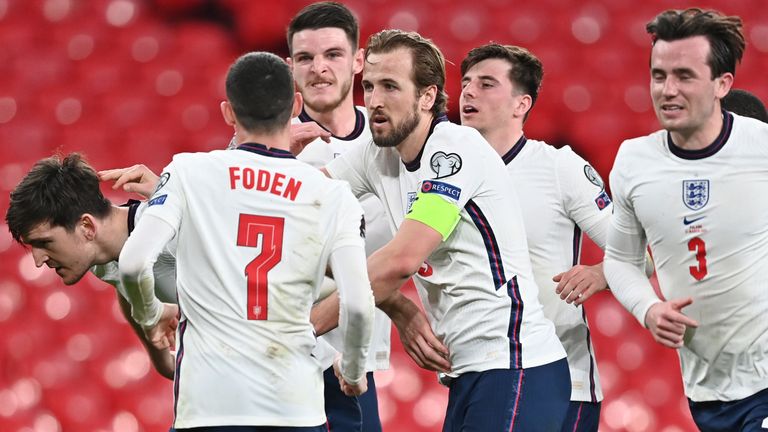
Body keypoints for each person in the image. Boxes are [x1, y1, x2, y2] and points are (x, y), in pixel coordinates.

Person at [318, 29, 569, 431]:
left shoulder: (454, 151)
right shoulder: (376, 154)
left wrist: (302, 328)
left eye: (390, 87)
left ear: (427, 97)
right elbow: (300, 211)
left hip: (516, 366)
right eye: (368, 86)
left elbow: (401, 260)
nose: (375, 101)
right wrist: (265, 151)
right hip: (471, 371)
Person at [118, 51, 375, 431]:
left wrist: (150, 316)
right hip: (296, 409)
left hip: (207, 409)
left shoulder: (188, 172)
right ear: (297, 106)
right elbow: (357, 303)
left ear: (227, 112)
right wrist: (352, 370)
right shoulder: (333, 194)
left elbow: (133, 261)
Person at [604, 8, 768, 432]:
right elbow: (621, 260)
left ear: (722, 84)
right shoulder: (633, 161)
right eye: (659, 76)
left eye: (684, 76)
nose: (667, 90)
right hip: (707, 390)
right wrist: (649, 308)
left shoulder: (762, 149)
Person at [459, 43, 612, 431]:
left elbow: (639, 251)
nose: (468, 92)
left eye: (486, 83)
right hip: (481, 373)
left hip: (562, 379)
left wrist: (601, 273)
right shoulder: (445, 178)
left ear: (520, 104)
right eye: (466, 82)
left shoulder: (559, 167)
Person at [287, 4, 392, 431]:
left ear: (358, 61)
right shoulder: (264, 146)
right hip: (285, 361)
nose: (319, 69)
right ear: (289, 66)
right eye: (306, 58)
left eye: (332, 54)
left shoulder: (392, 139)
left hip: (354, 366)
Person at [5, 153, 177, 380]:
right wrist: (165, 361)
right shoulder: (101, 260)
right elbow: (124, 285)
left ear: (86, 226)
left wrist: (174, 198)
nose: (38, 261)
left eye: (44, 242)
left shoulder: (171, 230)